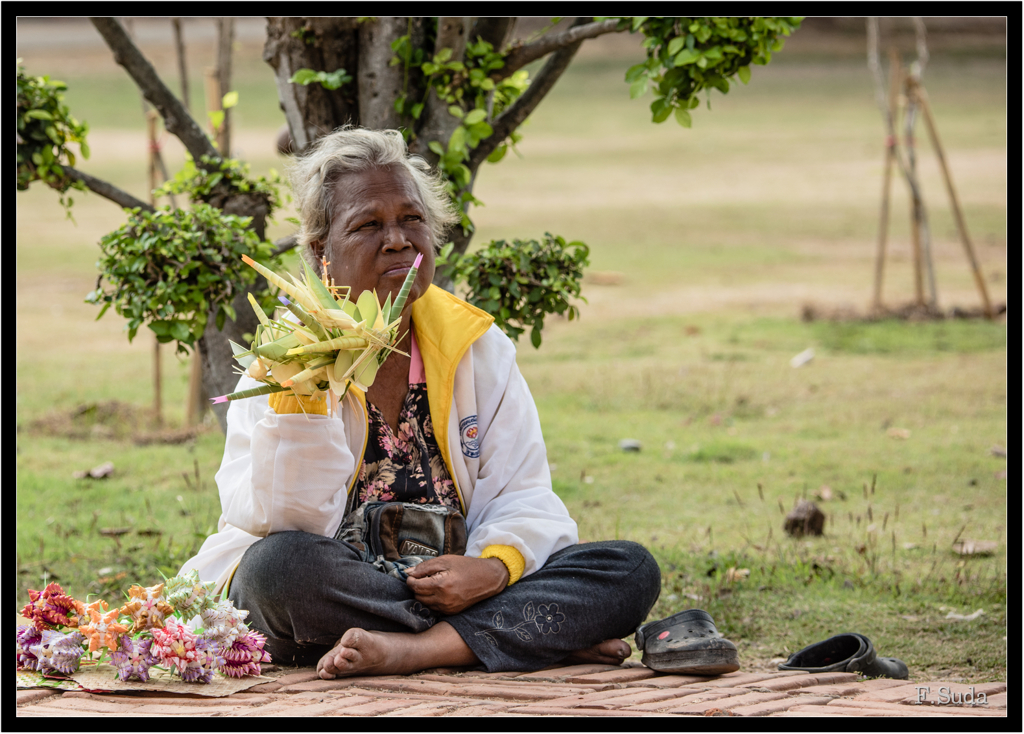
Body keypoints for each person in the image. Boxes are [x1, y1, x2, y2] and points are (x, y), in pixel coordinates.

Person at [180, 127, 661, 679]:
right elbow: (285, 521)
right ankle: (513, 635)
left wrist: (493, 570)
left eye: (412, 220)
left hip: (454, 590)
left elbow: (524, 494)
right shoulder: (285, 354)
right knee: (275, 570)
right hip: (334, 584)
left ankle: (418, 649)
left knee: (629, 569)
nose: (398, 241)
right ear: (321, 253)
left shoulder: (477, 346)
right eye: (367, 225)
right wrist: (306, 395)